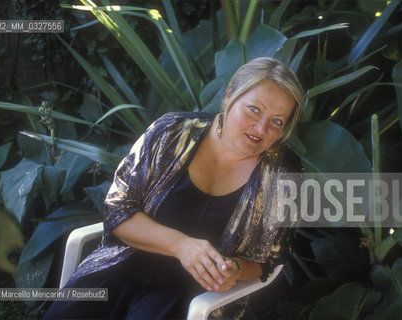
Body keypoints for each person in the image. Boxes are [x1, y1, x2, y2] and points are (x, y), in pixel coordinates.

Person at [44, 57, 304, 319]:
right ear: (229, 97)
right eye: (254, 109)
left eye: (277, 121)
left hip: (189, 291)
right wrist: (181, 246)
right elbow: (116, 210)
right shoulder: (170, 132)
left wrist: (234, 269)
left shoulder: (283, 171)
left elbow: (269, 258)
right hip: (121, 263)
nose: (261, 128)